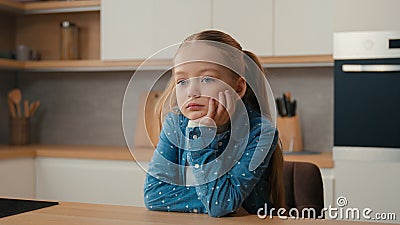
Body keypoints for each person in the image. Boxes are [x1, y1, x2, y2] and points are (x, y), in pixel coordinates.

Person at [143, 30, 285, 217]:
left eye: (207, 79)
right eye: (182, 81)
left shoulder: (260, 133)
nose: (192, 91)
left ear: (239, 88)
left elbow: (221, 205)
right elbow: (154, 195)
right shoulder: (176, 125)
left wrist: (201, 139)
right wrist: (223, 202)